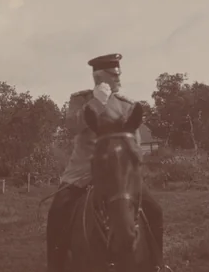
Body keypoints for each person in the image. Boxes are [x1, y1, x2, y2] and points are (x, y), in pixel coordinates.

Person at [46, 53, 165, 272]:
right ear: (100, 77)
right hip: (82, 173)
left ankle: (158, 263)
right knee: (58, 211)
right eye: (113, 75)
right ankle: (55, 265)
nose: (119, 79)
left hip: (119, 173)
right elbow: (72, 126)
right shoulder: (80, 101)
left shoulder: (127, 105)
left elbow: (134, 145)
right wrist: (97, 102)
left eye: (119, 74)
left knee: (154, 210)